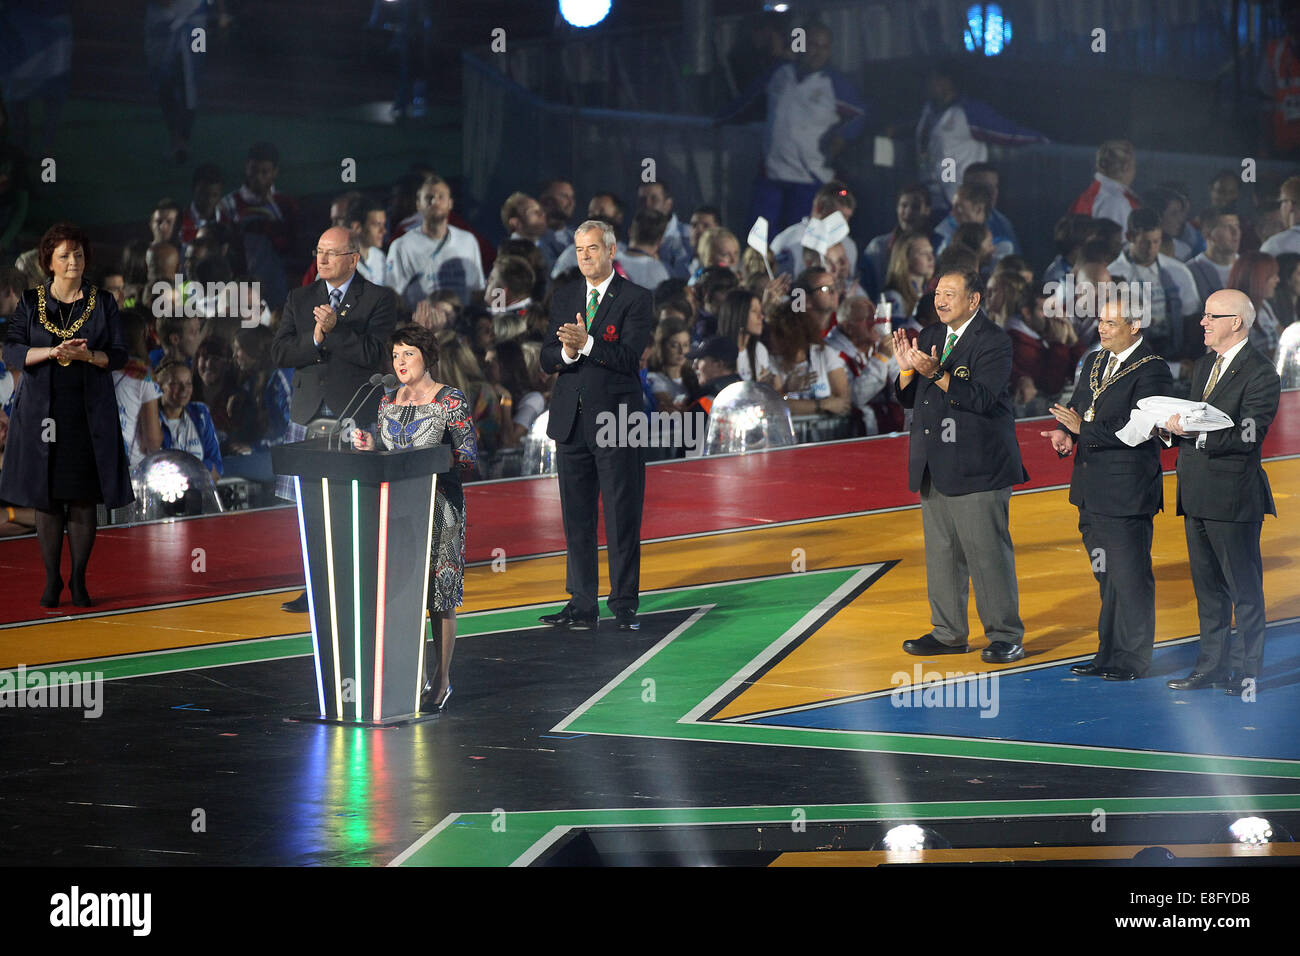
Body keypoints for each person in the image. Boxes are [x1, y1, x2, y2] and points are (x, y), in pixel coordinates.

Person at [893, 269, 1027, 663]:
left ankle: (1005, 634)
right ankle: (948, 631)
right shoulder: (932, 335)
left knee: (987, 553)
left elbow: (982, 398)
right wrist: (906, 369)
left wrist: (936, 373)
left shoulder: (994, 341)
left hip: (978, 465)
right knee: (943, 552)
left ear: (974, 300)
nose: (941, 300)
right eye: (938, 293)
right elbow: (908, 399)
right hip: (934, 464)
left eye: (951, 293)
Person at [0, 223, 132, 607]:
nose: (73, 261)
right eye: (64, 256)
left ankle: (78, 579)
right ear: (49, 263)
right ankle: (50, 579)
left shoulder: (103, 301)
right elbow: (11, 352)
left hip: (87, 414)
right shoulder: (29, 302)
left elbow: (120, 354)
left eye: (78, 254)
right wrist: (53, 352)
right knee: (46, 498)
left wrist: (87, 356)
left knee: (81, 499)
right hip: (41, 412)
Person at [1043, 293, 1172, 680]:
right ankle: (1108, 653)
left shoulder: (1153, 370)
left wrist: (1086, 430)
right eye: (1100, 321)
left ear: (1135, 327)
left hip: (1127, 492)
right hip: (1091, 487)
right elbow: (1080, 405)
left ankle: (1134, 658)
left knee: (1130, 576)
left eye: (1111, 323)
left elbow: (1139, 429)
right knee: (1106, 576)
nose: (1101, 328)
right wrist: (1068, 433)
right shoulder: (1096, 361)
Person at [350, 324, 476, 712]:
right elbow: (388, 452)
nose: (400, 362)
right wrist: (371, 445)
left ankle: (441, 679)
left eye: (408, 354)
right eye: (395, 355)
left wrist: (437, 462)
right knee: (403, 594)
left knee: (439, 596)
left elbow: (468, 457)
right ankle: (413, 674)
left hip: (439, 507)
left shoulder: (450, 401)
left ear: (427, 358)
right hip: (398, 510)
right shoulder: (387, 401)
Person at [271, 226, 397, 612]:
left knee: (354, 505)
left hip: (355, 412)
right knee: (310, 507)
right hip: (308, 413)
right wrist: (315, 339)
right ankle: (314, 588)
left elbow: (375, 354)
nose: (321, 260)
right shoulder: (299, 297)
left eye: (331, 253)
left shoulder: (378, 298)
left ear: (353, 259)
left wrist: (334, 328)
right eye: (319, 251)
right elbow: (281, 352)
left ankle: (357, 585)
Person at [1163, 289, 1282, 696]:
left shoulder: (1261, 372)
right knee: (1208, 590)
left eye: (1212, 316)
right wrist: (1170, 428)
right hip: (1196, 493)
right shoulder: (1204, 366)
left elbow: (1249, 434)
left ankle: (1247, 670)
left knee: (1243, 589)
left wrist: (1194, 432)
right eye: (1204, 315)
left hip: (1233, 498)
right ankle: (1211, 666)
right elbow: (1199, 418)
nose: (1203, 322)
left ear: (1236, 322)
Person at [538, 219, 654, 631]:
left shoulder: (636, 299)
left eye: (592, 249)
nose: (585, 257)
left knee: (622, 516)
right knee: (577, 517)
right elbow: (545, 357)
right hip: (570, 421)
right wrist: (568, 354)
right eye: (579, 250)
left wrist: (586, 344)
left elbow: (628, 359)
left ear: (611, 250)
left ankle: (624, 604)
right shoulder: (566, 295)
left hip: (617, 423)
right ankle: (582, 602)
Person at [386, 175, 484, 308]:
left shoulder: (468, 241)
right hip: (421, 325)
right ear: (418, 205)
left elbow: (477, 289)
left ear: (450, 203)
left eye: (441, 197)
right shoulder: (402, 246)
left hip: (462, 324)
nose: (435, 202)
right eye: (429, 198)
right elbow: (392, 296)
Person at [156, 360, 222, 483]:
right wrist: (199, 468)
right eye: (175, 384)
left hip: (197, 496)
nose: (184, 389)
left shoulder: (200, 413)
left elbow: (216, 468)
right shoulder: (150, 418)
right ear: (159, 386)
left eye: (188, 383)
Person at [862, 184, 931, 298]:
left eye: (915, 207)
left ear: (927, 210)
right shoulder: (878, 247)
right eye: (903, 205)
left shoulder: (938, 246)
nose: (908, 212)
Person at [1070, 139, 1140, 230]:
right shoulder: (1117, 202)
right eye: (1134, 165)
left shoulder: (1087, 197)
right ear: (1126, 167)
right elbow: (1119, 242)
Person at [1228, 251, 1283, 362]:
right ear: (1258, 278)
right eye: (1272, 276)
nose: (1278, 280)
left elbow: (1283, 333)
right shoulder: (1234, 314)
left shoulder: (1263, 305)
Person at [1186, 207, 1241, 303]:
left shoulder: (1249, 266)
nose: (1235, 232)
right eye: (1227, 227)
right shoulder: (1190, 272)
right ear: (1207, 233)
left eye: (1237, 226)